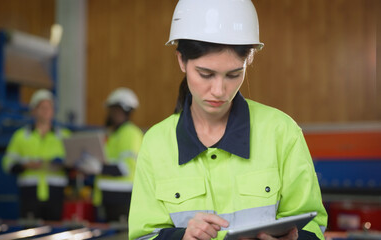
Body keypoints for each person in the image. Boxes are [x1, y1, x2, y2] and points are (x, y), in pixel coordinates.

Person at [128, 0, 328, 240]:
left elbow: (313, 225)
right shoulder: (156, 143)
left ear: (248, 61)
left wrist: (295, 239)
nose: (219, 90)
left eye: (234, 74)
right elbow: (143, 236)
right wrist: (181, 237)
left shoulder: (281, 132)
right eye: (205, 74)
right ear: (181, 61)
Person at [2, 89, 70, 221]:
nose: (46, 111)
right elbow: (7, 164)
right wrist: (25, 165)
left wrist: (62, 164)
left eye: (49, 107)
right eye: (42, 107)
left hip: (56, 193)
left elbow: (75, 164)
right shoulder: (21, 136)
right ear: (33, 111)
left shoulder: (65, 136)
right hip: (30, 194)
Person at [87, 88, 143, 222]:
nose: (112, 114)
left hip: (122, 199)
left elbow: (125, 168)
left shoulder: (130, 134)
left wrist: (98, 168)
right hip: (108, 197)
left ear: (126, 112)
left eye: (116, 110)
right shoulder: (112, 134)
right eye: (112, 110)